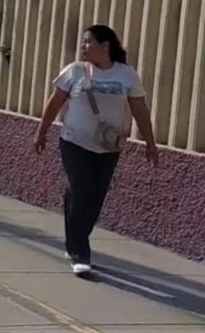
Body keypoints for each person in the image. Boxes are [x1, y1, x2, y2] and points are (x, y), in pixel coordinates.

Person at [33, 24, 159, 276]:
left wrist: (150, 142)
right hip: (74, 142)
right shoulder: (75, 71)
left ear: (105, 47)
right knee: (83, 190)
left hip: (109, 147)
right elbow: (55, 102)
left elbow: (139, 109)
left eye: (88, 42)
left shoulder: (127, 75)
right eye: (82, 42)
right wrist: (42, 131)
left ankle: (75, 237)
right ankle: (80, 251)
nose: (83, 47)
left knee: (94, 198)